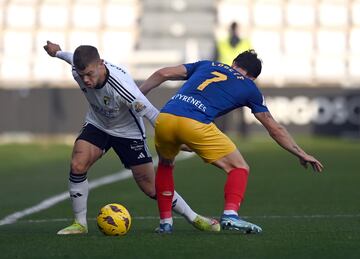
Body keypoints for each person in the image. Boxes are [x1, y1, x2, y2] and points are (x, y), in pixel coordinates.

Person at [43, 41, 220, 235]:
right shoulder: (78, 70)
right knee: (78, 164)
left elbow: (152, 115)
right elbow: (69, 57)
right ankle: (80, 224)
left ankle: (195, 218)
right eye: (82, 74)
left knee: (150, 187)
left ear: (101, 64)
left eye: (90, 74)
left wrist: (177, 138)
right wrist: (57, 52)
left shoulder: (124, 89)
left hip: (128, 131)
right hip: (98, 123)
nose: (85, 80)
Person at [140, 49, 324, 234]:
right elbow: (274, 129)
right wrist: (300, 153)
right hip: (195, 123)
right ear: (252, 77)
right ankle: (230, 214)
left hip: (165, 117)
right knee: (239, 168)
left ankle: (165, 224)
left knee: (165, 165)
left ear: (234, 63)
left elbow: (162, 73)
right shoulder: (250, 88)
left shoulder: (206, 64)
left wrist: (138, 94)